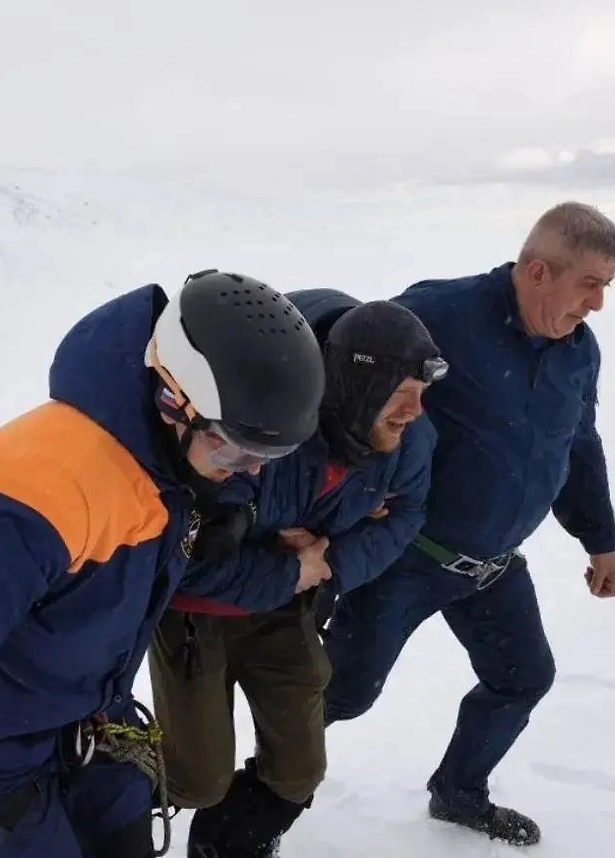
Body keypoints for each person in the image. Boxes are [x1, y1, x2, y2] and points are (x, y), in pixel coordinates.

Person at [0, 269, 327, 858]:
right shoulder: (43, 487)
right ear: (172, 400)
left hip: (88, 738)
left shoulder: (169, 469)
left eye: (268, 456)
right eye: (234, 449)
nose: (250, 470)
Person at [321, 201, 615, 847]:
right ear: (539, 272)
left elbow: (578, 445)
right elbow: (349, 376)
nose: (597, 304)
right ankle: (253, 786)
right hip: (406, 555)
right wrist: (345, 490)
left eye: (605, 286)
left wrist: (600, 540)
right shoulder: (442, 315)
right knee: (343, 694)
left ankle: (459, 793)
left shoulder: (578, 351)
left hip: (492, 565)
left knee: (522, 678)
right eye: (589, 284)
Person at [147, 289, 445, 858]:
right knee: (194, 779)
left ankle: (228, 844)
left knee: (298, 772)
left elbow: (409, 511)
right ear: (359, 387)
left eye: (421, 393)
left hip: (288, 607)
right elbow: (186, 560)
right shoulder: (262, 420)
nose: (415, 411)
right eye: (402, 393)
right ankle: (96, 786)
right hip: (196, 617)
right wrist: (289, 569)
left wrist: (328, 562)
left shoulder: (405, 442)